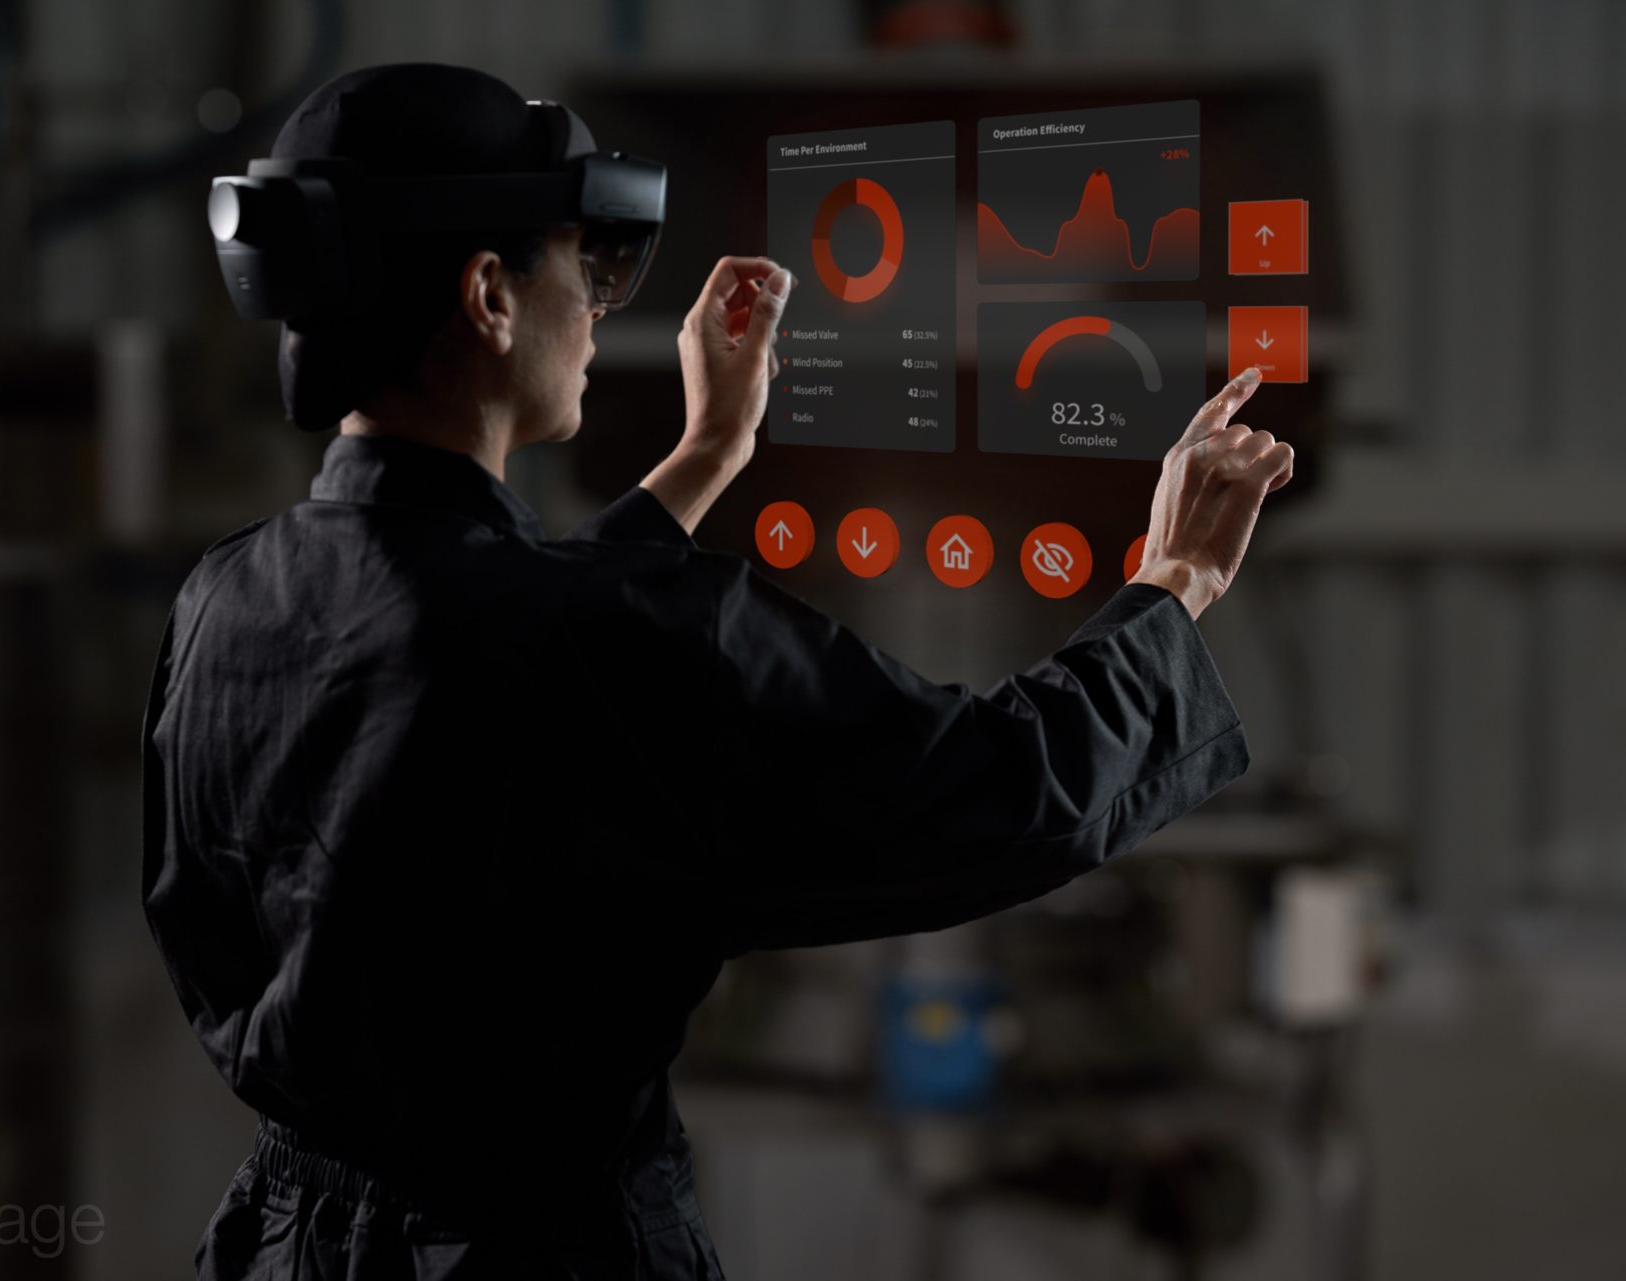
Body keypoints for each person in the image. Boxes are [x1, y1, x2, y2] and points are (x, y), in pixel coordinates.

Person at [142, 64, 1293, 1281]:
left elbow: (468, 666)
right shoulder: (617, 643)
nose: (593, 310)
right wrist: (1172, 585)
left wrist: (702, 459)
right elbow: (1000, 790)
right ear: (488, 294)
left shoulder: (224, 602)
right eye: (580, 265)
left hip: (280, 1245)